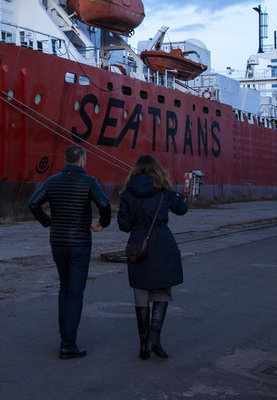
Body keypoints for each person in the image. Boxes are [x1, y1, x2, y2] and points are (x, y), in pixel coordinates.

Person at [28, 144, 111, 359]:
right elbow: (104, 204)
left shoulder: (52, 181)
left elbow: (33, 203)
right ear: (83, 161)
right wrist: (103, 223)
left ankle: (64, 333)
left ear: (65, 160)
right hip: (80, 244)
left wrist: (48, 223)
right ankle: (68, 344)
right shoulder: (89, 182)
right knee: (75, 292)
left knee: (64, 287)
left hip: (58, 244)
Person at [117, 154, 187, 360]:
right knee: (162, 289)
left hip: (138, 245)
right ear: (157, 170)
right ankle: (154, 338)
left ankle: (143, 345)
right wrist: (173, 195)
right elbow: (182, 210)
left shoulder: (128, 192)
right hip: (163, 244)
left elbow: (124, 225)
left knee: (141, 291)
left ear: (136, 171)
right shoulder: (165, 191)